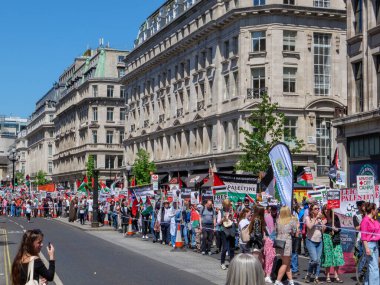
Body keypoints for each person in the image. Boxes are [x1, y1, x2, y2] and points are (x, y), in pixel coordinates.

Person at [321, 205, 344, 283]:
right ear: (323, 210)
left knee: (337, 257)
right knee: (328, 257)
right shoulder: (322, 218)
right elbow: (321, 231)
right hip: (327, 238)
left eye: (328, 209)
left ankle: (336, 276)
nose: (327, 211)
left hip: (335, 239)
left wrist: (335, 228)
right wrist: (323, 226)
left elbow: (339, 228)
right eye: (325, 209)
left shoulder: (335, 217)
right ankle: (327, 276)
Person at [275, 206, 297, 285]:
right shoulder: (291, 221)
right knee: (285, 263)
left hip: (279, 241)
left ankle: (291, 281)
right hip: (287, 242)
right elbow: (294, 231)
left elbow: (275, 230)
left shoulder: (278, 220)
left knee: (287, 262)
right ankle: (277, 281)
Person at [360, 202, 380, 285]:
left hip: (375, 244)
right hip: (369, 245)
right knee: (374, 268)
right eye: (375, 209)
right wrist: (367, 248)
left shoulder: (375, 220)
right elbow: (364, 236)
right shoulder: (365, 220)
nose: (377, 211)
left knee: (370, 268)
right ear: (372, 210)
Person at [304, 203, 324, 284]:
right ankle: (308, 274)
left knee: (318, 261)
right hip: (311, 241)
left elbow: (322, 231)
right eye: (316, 209)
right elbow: (309, 227)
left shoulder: (319, 219)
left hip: (319, 241)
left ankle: (316, 277)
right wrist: (316, 218)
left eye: (318, 208)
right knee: (314, 260)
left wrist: (322, 225)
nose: (318, 210)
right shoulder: (307, 218)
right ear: (311, 210)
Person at [218, 198, 236, 270]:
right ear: (224, 205)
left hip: (231, 229)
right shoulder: (221, 211)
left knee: (232, 248)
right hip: (224, 230)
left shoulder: (232, 211)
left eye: (229, 205)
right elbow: (218, 222)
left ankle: (231, 263)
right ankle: (222, 263)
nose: (228, 207)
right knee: (225, 248)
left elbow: (234, 220)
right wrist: (223, 218)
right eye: (227, 206)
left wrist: (233, 219)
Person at [263, 205, 277, 283]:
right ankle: (267, 275)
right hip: (269, 238)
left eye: (275, 210)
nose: (274, 211)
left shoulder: (278, 217)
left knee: (273, 258)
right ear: (270, 210)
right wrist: (264, 235)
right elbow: (264, 227)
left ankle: (269, 274)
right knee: (268, 257)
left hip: (276, 239)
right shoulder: (267, 217)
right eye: (273, 210)